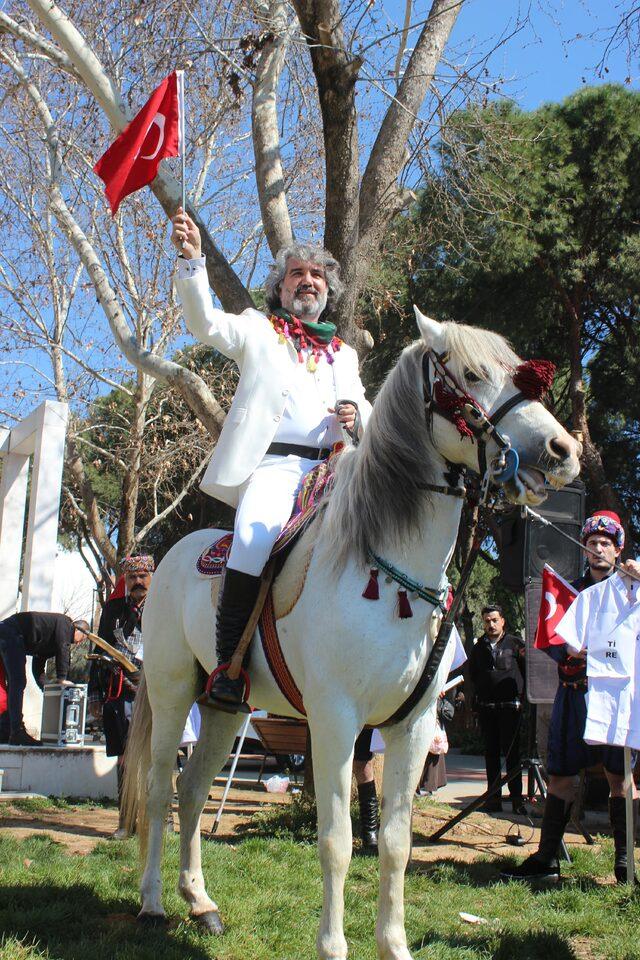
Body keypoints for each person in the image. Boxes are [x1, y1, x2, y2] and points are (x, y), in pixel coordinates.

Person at [171, 209, 371, 713]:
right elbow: (204, 324)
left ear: (329, 290)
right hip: (277, 470)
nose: (308, 281)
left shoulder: (343, 354)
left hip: (337, 471)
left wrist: (359, 416)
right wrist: (193, 262)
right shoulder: (260, 329)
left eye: (317, 275)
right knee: (255, 533)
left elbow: (364, 404)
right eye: (297, 274)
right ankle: (228, 669)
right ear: (281, 290)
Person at [502, 510, 639, 883]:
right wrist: (573, 651)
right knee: (561, 777)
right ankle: (547, 859)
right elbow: (554, 640)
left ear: (618, 548)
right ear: (584, 547)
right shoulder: (567, 593)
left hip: (613, 699)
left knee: (620, 778)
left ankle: (624, 864)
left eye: (606, 543)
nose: (598, 548)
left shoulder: (631, 591)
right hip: (573, 697)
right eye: (592, 542)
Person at [89, 555, 152, 837]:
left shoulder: (164, 605)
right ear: (125, 581)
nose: (138, 582)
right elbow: (100, 652)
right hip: (117, 692)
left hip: (153, 693)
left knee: (157, 756)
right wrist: (94, 695)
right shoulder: (113, 609)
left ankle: (161, 822)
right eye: (132, 577)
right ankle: (126, 822)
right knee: (124, 758)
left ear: (152, 577)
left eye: (143, 576)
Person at [469, 605, 526, 814]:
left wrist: (523, 699)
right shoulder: (478, 647)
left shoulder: (515, 643)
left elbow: (527, 671)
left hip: (510, 708)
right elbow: (474, 675)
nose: (490, 624)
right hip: (487, 709)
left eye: (494, 620)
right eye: (486, 621)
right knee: (490, 754)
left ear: (502, 621)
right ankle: (493, 799)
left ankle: (517, 801)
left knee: (512, 755)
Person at [0, 612, 89, 746]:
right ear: (77, 629)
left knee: (13, 684)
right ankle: (16, 732)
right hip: (10, 632)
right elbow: (63, 649)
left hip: (7, 634)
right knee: (17, 683)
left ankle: (5, 729)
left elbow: (38, 661)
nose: (81, 642)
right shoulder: (65, 623)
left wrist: (44, 685)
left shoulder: (51, 638)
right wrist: (62, 678)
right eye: (83, 637)